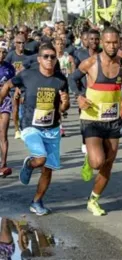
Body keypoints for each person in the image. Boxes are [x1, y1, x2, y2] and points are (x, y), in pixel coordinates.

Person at [69, 27, 122, 216]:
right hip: (92, 118)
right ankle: (89, 158)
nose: (112, 46)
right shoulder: (91, 63)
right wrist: (79, 96)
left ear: (120, 42)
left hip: (113, 120)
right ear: (102, 43)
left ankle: (93, 200)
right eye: (108, 42)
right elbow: (72, 79)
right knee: (98, 162)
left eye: (115, 42)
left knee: (109, 162)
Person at [0, 43, 70, 215]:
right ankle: (30, 164)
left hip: (52, 129)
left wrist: (66, 103)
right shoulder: (27, 75)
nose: (49, 60)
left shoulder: (60, 80)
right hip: (31, 126)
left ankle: (37, 202)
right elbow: (8, 85)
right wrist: (1, 99)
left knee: (48, 169)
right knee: (40, 158)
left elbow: (62, 109)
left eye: (52, 57)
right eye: (45, 56)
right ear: (39, 59)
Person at [5, 35, 28, 140]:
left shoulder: (29, 55)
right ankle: (16, 129)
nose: (21, 45)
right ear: (15, 44)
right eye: (19, 43)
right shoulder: (10, 56)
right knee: (15, 107)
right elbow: (6, 69)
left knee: (26, 108)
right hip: (14, 85)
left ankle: (25, 129)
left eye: (23, 43)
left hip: (25, 86)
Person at [0, 43, 15, 177]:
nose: (1, 55)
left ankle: (3, 164)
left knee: (3, 133)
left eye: (4, 52)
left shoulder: (9, 68)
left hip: (4, 102)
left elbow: (15, 84)